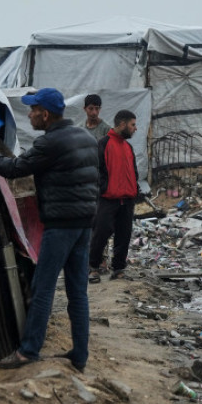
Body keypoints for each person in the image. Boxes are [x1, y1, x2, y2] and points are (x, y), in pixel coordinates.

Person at [0, 88, 99, 373]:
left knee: (43, 288)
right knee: (78, 292)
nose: (29, 114)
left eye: (33, 110)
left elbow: (13, 169)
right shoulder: (85, 138)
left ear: (45, 114)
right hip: (84, 224)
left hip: (60, 225)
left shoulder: (50, 143)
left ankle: (28, 351)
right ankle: (80, 355)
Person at [89, 110, 139, 282]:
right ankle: (93, 267)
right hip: (108, 199)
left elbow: (133, 171)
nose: (135, 128)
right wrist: (103, 189)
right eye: (132, 125)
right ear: (123, 124)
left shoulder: (128, 147)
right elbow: (96, 171)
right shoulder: (103, 143)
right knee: (101, 233)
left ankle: (118, 269)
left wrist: (135, 190)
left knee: (124, 235)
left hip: (127, 199)